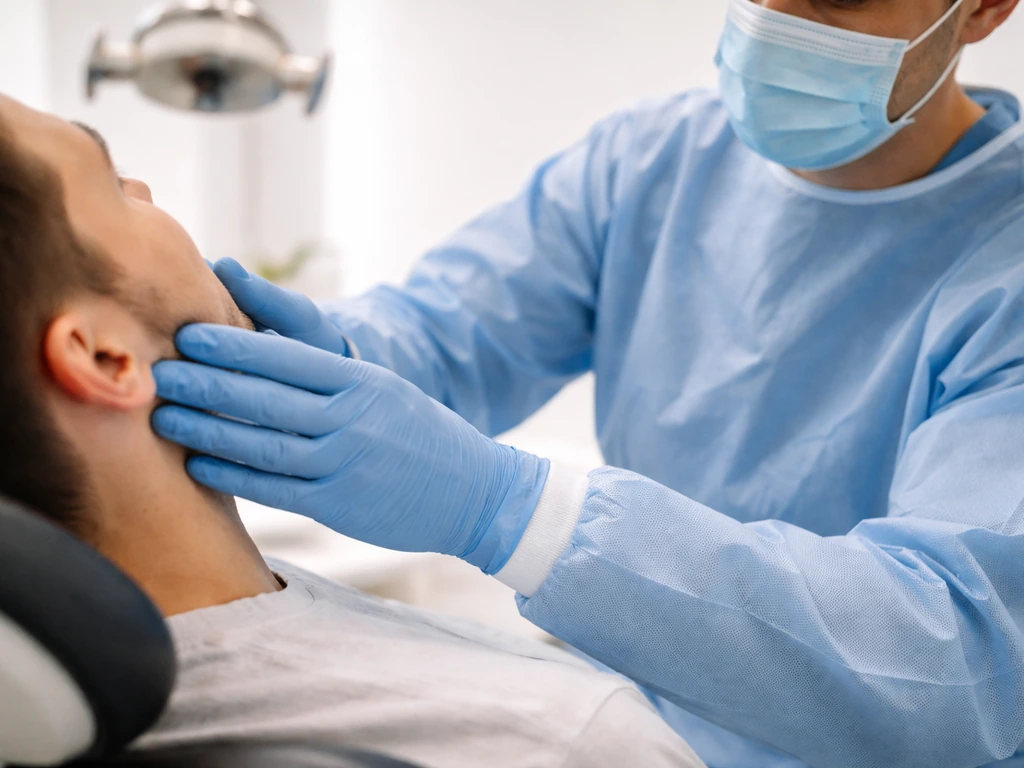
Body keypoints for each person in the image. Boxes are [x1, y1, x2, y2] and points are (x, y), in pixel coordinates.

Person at [151, 1, 1024, 767]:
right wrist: (327, 351)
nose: (772, 21)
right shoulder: (654, 163)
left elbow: (949, 664)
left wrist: (511, 508)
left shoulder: (1004, 267)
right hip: (638, 730)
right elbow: (450, 329)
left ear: (983, 9)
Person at [0, 93, 703, 768]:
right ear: (102, 357)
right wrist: (503, 505)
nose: (148, 189)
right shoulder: (570, 742)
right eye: (114, 184)